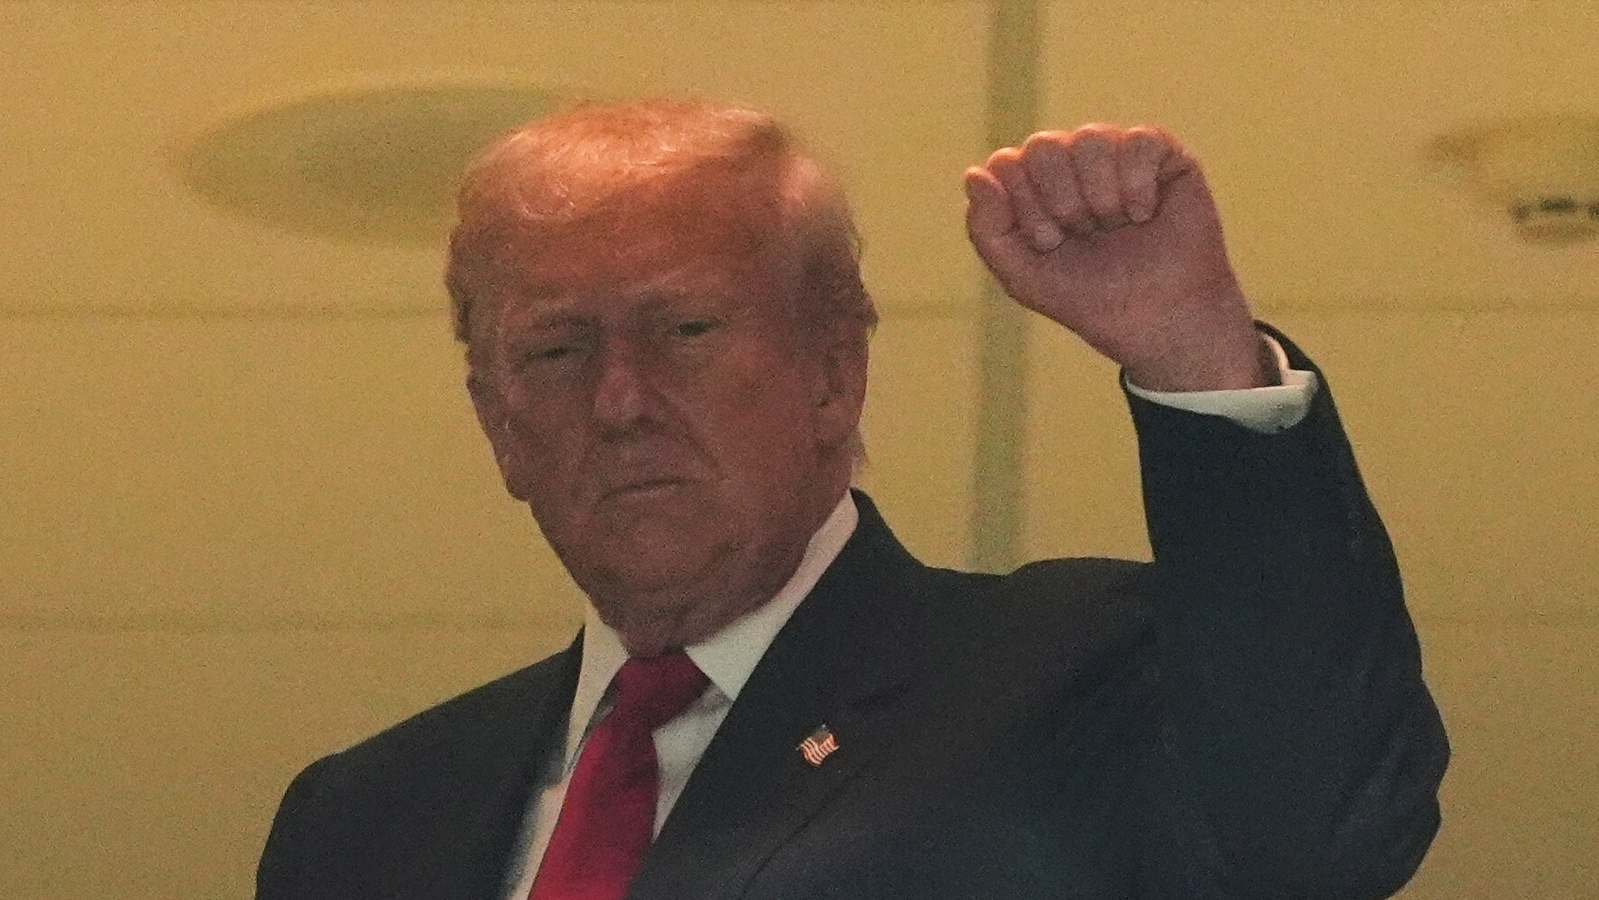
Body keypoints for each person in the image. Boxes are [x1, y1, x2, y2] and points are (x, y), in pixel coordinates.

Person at [256, 99, 1448, 900]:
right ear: (497, 423)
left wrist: (1197, 356)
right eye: (558, 350)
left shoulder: (1064, 677)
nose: (620, 401)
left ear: (835, 370)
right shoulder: (365, 820)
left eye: (686, 330)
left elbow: (1325, 833)